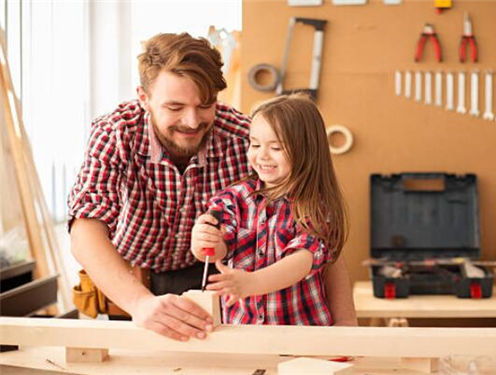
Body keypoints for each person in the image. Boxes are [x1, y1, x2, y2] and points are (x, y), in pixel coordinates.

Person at [68, 33, 356, 342]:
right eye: (175, 107)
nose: (192, 121)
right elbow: (85, 230)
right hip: (130, 282)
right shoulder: (115, 132)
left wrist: (346, 324)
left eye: (205, 105)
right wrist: (139, 302)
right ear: (144, 97)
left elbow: (320, 236)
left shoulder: (247, 138)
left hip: (215, 280)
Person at [191, 94, 347, 325]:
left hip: (303, 336)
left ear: (306, 151)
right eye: (255, 144)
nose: (261, 155)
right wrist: (203, 241)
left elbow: (303, 260)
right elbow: (216, 250)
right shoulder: (234, 199)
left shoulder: (315, 207)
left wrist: (251, 283)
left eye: (275, 147)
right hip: (246, 338)